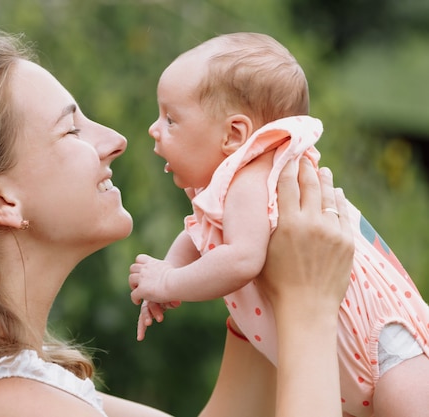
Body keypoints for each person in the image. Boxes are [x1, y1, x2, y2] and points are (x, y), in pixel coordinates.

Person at [0, 29, 353, 417]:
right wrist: (309, 308)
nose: (114, 140)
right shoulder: (9, 404)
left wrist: (253, 282)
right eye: (72, 130)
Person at [128, 32, 429, 417]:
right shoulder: (231, 188)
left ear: (234, 134)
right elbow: (196, 234)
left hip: (391, 354)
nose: (155, 129)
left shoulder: (253, 178)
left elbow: (241, 261)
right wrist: (169, 268)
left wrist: (168, 282)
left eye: (171, 119)